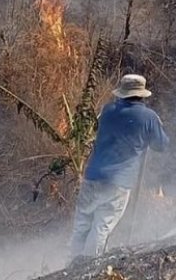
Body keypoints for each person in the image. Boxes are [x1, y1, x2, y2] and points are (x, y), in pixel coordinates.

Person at [69, 74, 170, 261]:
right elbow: (161, 145)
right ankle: (86, 268)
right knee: (103, 225)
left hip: (92, 176)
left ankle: (70, 265)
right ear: (142, 95)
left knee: (82, 223)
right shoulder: (149, 118)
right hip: (118, 182)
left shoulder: (107, 110)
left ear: (122, 93)